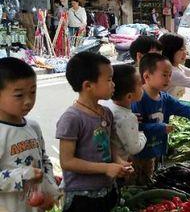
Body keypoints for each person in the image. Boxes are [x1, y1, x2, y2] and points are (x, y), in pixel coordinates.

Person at [131, 53, 190, 184]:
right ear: (147, 76)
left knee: (152, 182)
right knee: (139, 187)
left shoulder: (165, 98)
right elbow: (134, 129)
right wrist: (160, 128)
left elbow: (188, 111)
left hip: (157, 151)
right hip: (140, 157)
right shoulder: (138, 100)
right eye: (164, 75)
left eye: (170, 75)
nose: (168, 79)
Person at [56, 52, 132, 212]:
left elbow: (110, 144)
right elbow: (67, 162)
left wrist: (118, 162)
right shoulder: (72, 118)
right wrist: (105, 168)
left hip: (107, 189)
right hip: (81, 196)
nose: (114, 84)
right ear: (88, 86)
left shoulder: (106, 113)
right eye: (109, 80)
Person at [0, 58, 59, 212]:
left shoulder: (33, 126)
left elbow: (44, 160)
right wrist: (24, 175)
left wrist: (50, 190)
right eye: (19, 95)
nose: (28, 101)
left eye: (33, 92)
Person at [102, 65, 146, 161]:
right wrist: (142, 135)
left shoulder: (109, 108)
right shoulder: (127, 118)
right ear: (129, 96)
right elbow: (134, 148)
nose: (143, 85)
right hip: (121, 164)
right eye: (139, 84)